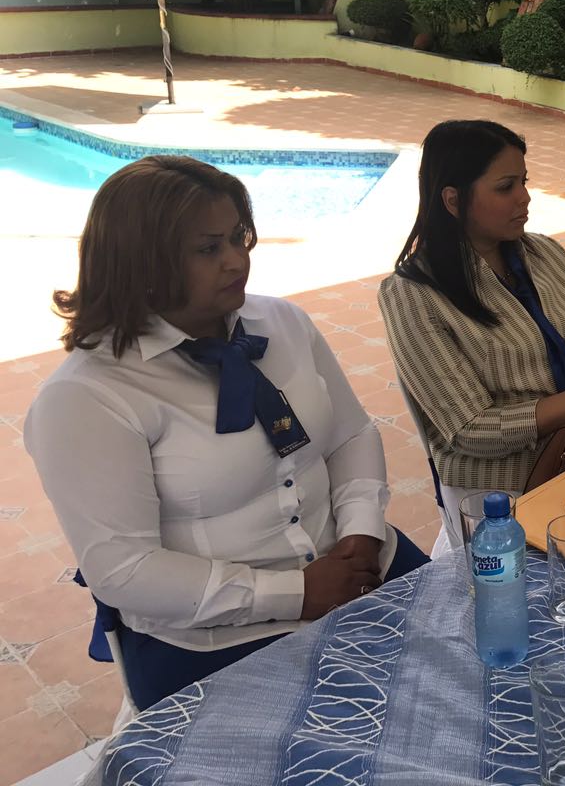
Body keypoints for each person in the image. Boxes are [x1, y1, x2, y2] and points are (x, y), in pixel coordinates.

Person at [24, 156, 427, 713]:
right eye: (209, 248)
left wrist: (360, 534)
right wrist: (297, 592)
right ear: (142, 263)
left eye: (239, 237)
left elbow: (351, 435)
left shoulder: (283, 323)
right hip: (218, 636)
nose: (237, 260)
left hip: (359, 567)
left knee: (489, 677)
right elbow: (124, 570)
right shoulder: (87, 397)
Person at [379, 120, 565, 553]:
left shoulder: (544, 253)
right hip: (502, 491)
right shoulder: (413, 294)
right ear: (453, 200)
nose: (524, 197)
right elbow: (470, 430)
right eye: (505, 187)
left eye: (524, 182)